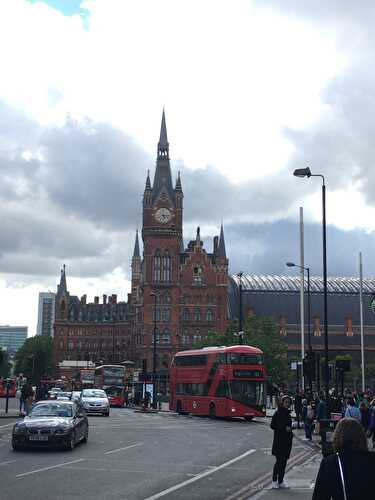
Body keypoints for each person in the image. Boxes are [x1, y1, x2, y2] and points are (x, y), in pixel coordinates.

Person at [312, 417, 375, 499]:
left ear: (337, 437)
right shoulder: (372, 460)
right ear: (361, 437)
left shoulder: (330, 463)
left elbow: (319, 496)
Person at [270, 395, 293, 489]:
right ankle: (274, 480)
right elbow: (272, 425)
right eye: (286, 402)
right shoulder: (278, 413)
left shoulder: (288, 414)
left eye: (289, 402)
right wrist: (284, 429)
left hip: (287, 442)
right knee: (279, 462)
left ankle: (281, 481)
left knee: (283, 463)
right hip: (279, 442)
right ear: (282, 403)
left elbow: (288, 427)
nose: (287, 404)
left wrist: (291, 428)